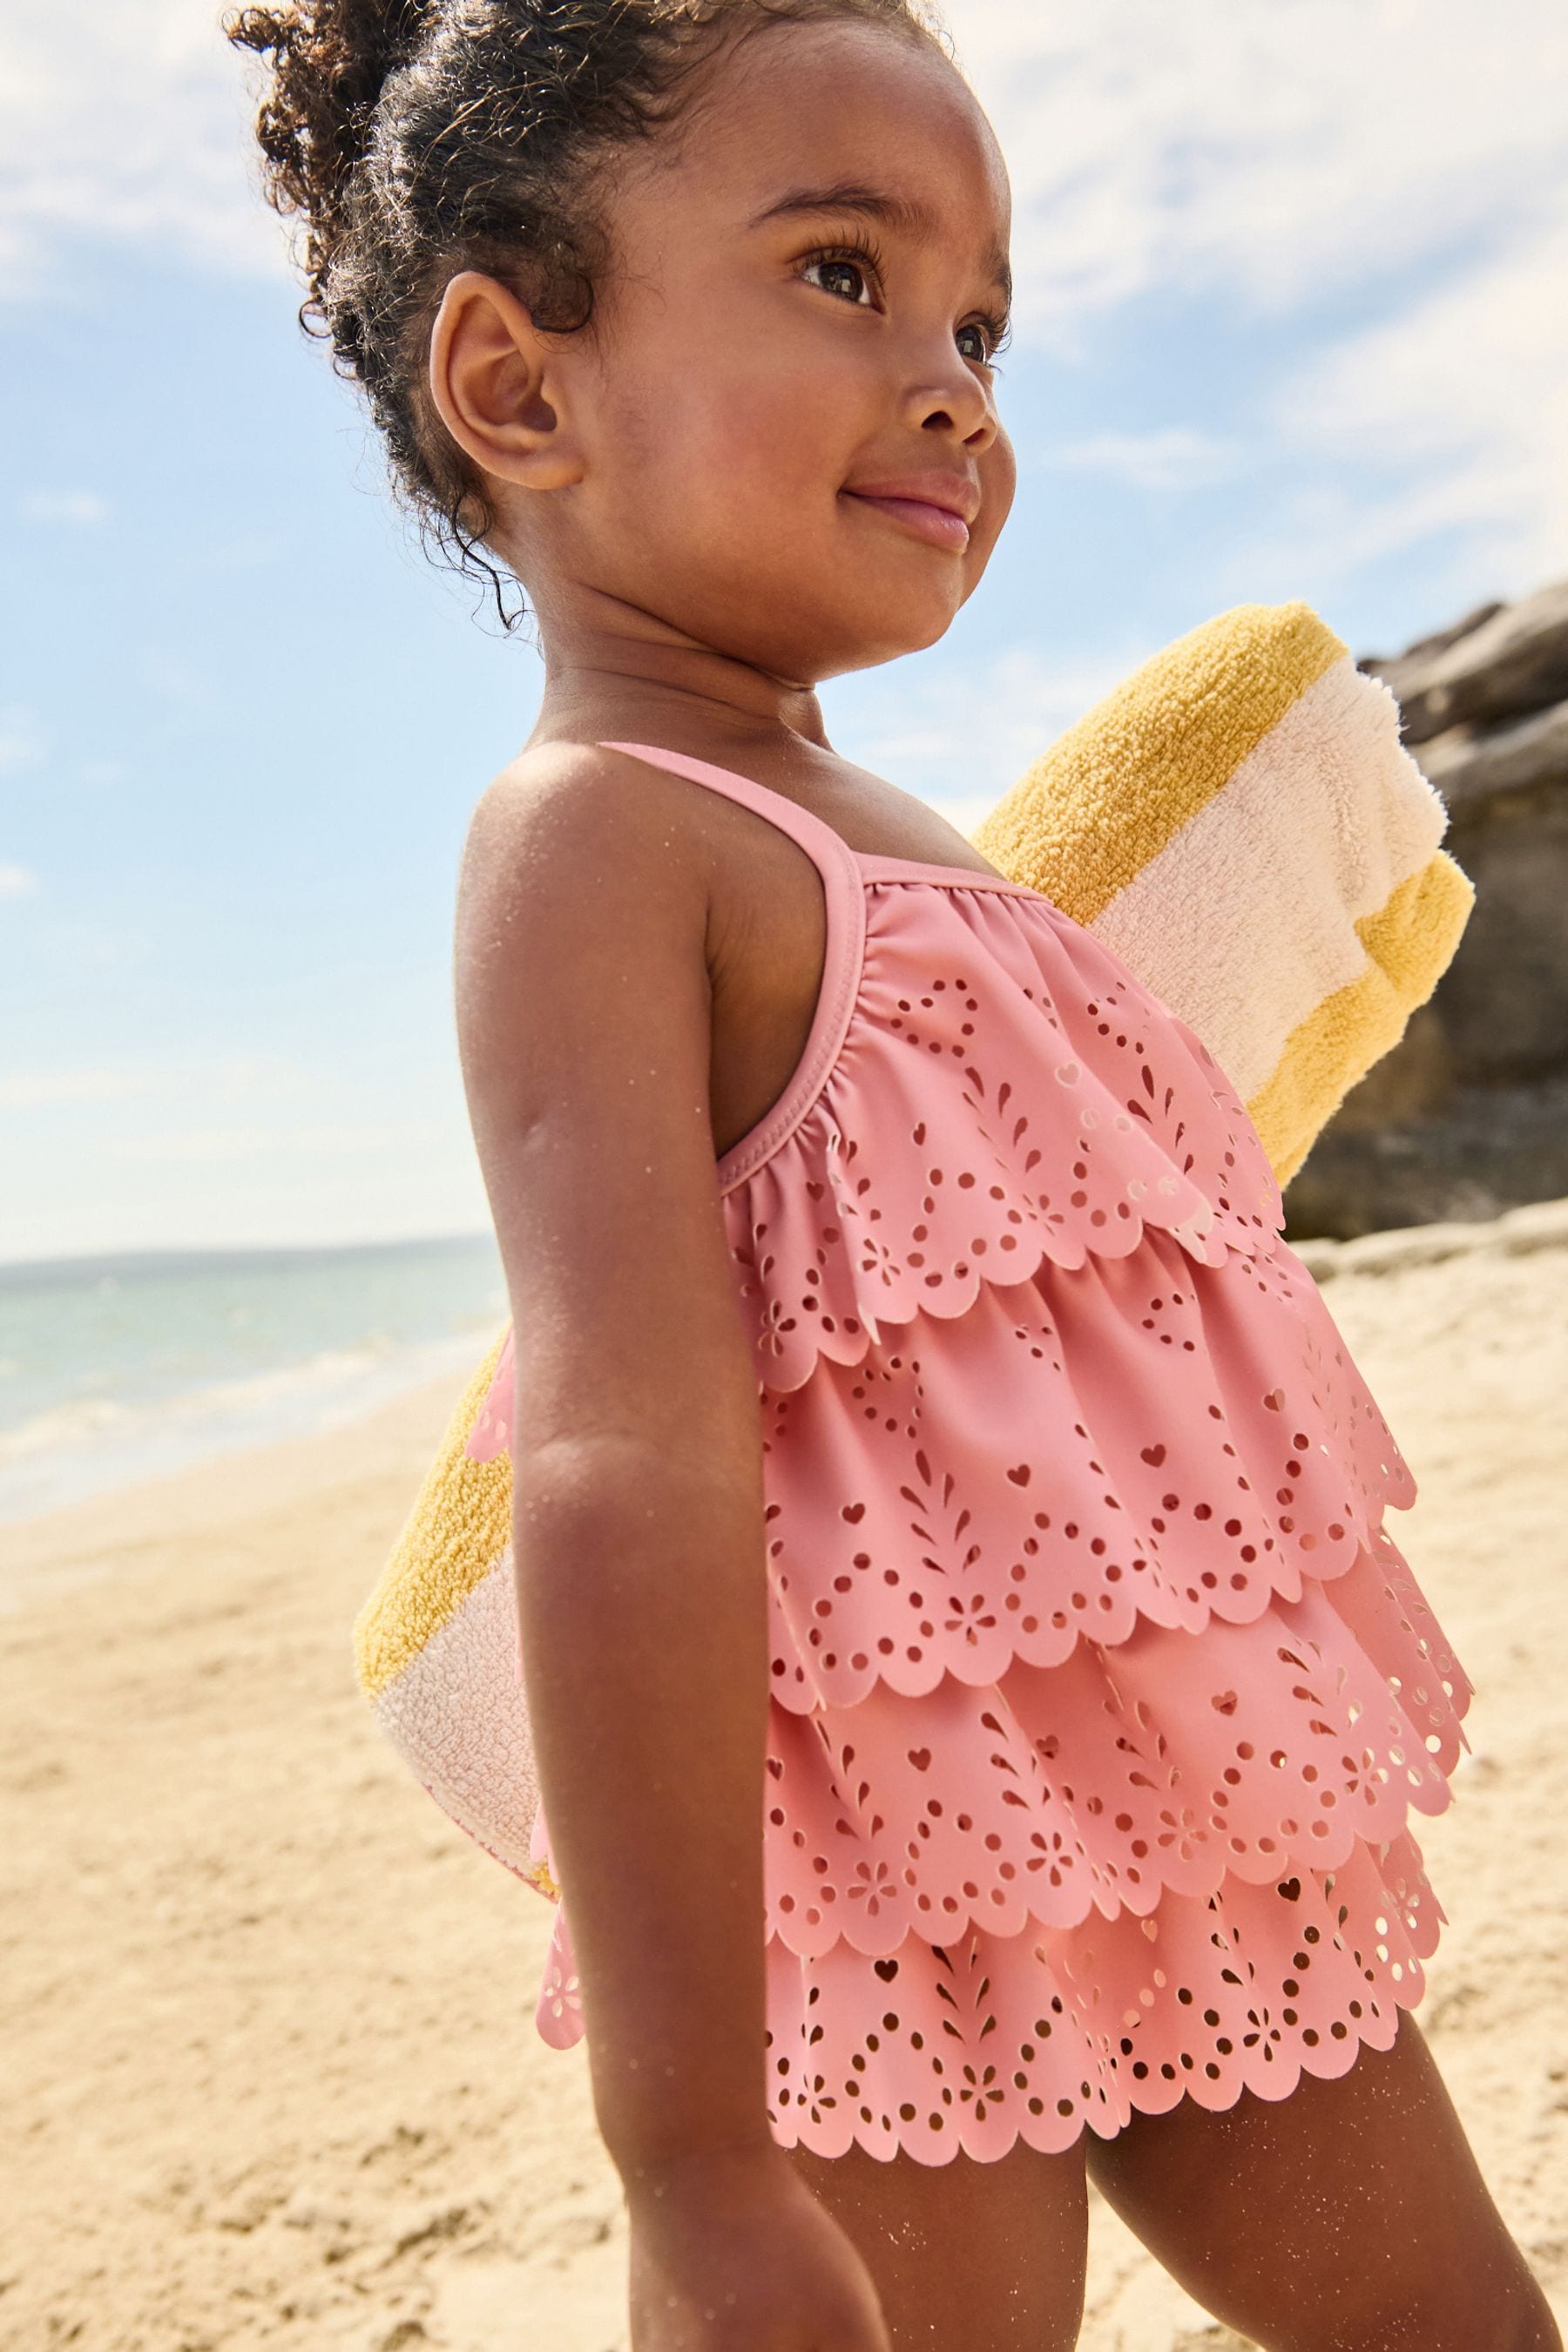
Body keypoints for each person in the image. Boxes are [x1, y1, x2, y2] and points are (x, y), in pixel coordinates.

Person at [226, 4, 1562, 2346]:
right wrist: (692, 2153)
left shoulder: (907, 841)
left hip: (1171, 1812)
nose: (954, 380)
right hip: (860, 1879)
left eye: (980, 320)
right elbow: (619, 1452)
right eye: (844, 275)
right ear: (520, 387)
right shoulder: (605, 841)